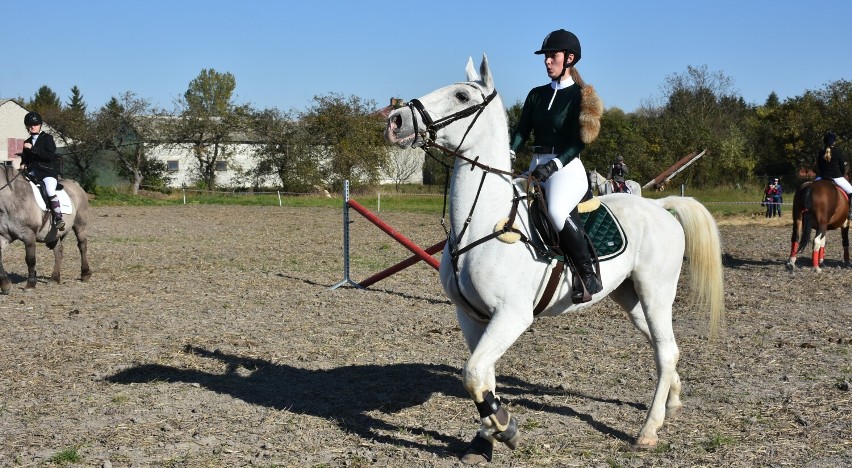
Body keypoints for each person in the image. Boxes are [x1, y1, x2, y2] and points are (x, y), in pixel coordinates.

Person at [510, 28, 604, 302]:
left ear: (570, 58)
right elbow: (521, 131)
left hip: (567, 168)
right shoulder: (536, 94)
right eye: (546, 57)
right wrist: (511, 152)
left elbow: (580, 142)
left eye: (553, 56)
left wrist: (554, 166)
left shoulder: (582, 96)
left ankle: (587, 273)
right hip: (536, 164)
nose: (547, 61)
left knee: (556, 210)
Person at [20, 111, 65, 230]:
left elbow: (49, 156)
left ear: (40, 125)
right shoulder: (26, 142)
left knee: (50, 190)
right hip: (31, 174)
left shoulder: (48, 138)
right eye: (30, 125)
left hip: (47, 173)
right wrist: (23, 163)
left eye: (35, 124)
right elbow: (25, 158)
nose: (32, 126)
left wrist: (33, 149)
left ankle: (58, 217)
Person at [814, 130, 852, 220]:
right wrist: (842, 174)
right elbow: (842, 167)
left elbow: (818, 166)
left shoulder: (820, 153)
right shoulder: (838, 152)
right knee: (851, 191)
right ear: (834, 142)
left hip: (822, 177)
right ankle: (850, 212)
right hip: (837, 177)